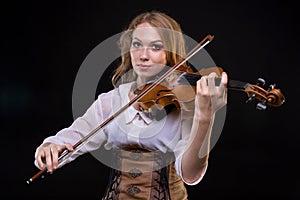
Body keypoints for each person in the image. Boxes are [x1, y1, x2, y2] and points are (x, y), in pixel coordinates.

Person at [34, 10, 228, 200]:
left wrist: (205, 116)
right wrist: (50, 146)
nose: (143, 55)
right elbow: (74, 135)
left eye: (155, 47)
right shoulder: (111, 101)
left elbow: (191, 175)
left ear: (170, 53)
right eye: (137, 45)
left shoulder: (184, 106)